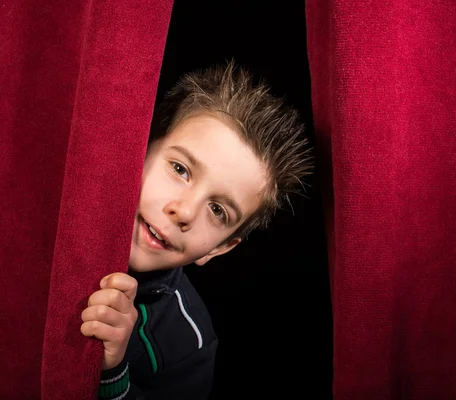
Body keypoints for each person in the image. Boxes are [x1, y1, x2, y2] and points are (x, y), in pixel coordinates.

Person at [80, 61, 312, 399]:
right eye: (180, 168)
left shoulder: (190, 345)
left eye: (217, 210)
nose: (184, 211)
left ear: (219, 248)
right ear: (140, 148)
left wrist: (111, 372)